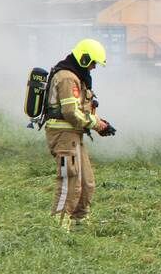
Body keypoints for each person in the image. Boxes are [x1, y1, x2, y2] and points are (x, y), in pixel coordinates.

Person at [45, 38, 115, 231]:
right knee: (70, 181)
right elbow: (70, 112)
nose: (93, 68)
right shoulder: (67, 77)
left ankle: (79, 224)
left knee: (86, 182)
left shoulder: (77, 76)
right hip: (63, 137)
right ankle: (58, 225)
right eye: (92, 62)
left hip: (74, 135)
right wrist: (96, 125)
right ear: (83, 58)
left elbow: (82, 109)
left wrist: (101, 124)